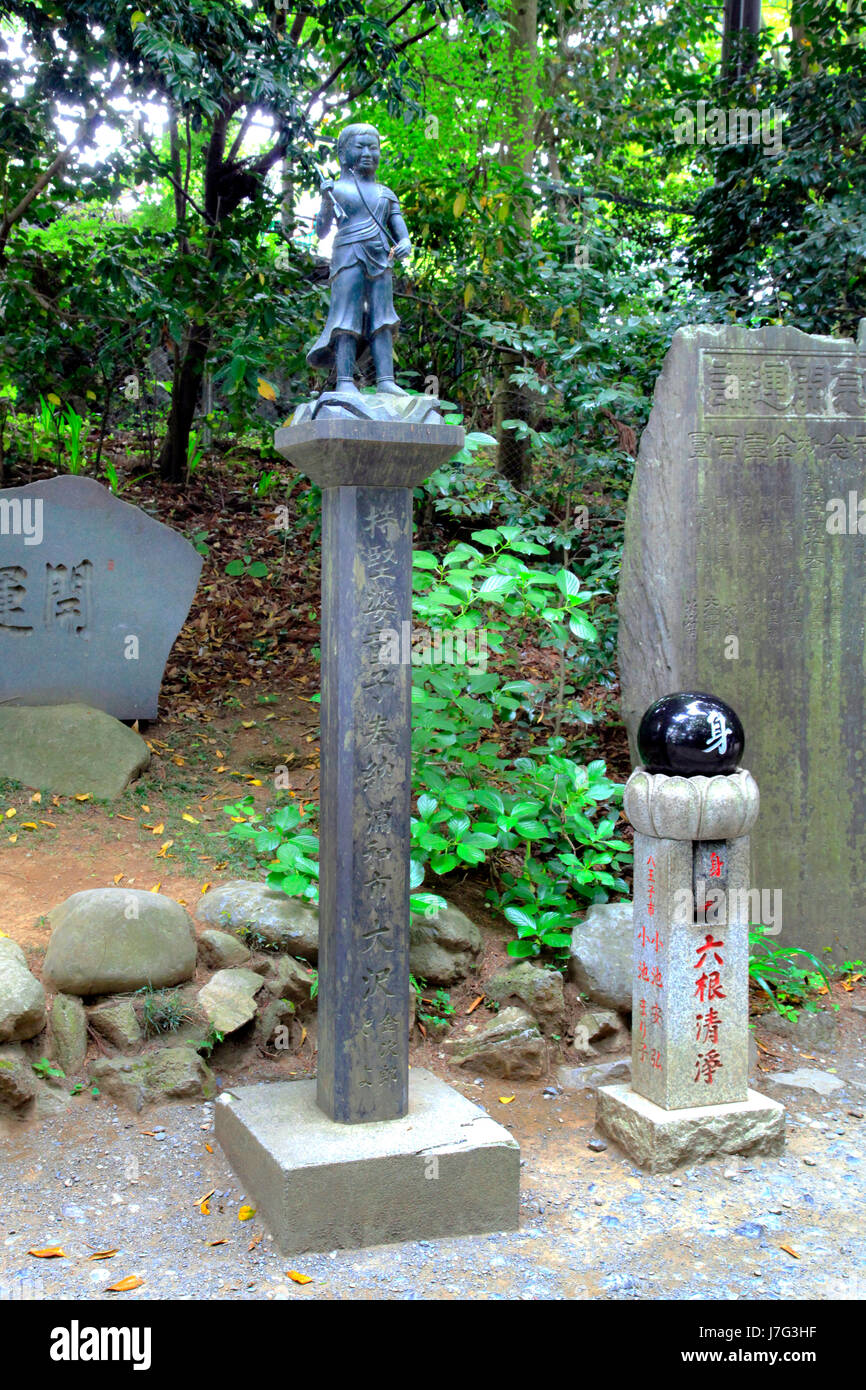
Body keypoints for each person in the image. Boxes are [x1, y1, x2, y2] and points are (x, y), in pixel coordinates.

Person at [306, 123, 411, 396]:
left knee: (383, 318)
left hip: (381, 258)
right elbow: (321, 231)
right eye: (360, 147)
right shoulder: (337, 189)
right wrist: (325, 202)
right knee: (345, 316)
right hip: (348, 256)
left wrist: (405, 242)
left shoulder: (385, 193)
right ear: (343, 153)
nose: (367, 153)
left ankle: (386, 380)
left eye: (373, 147)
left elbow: (398, 227)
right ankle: (344, 381)